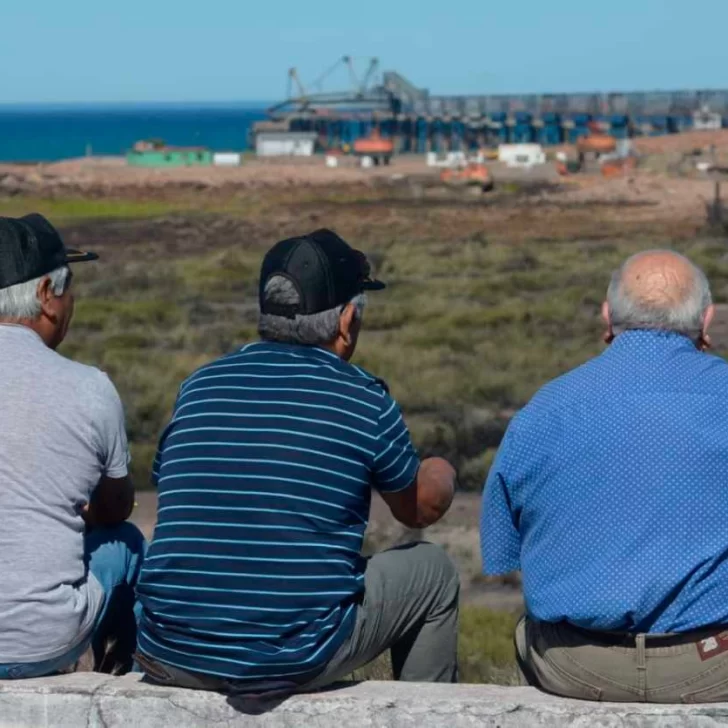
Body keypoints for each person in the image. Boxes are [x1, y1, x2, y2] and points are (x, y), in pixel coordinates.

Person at [136, 229, 459, 695]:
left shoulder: (200, 386)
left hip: (169, 649)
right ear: (347, 321)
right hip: (291, 654)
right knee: (434, 572)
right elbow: (419, 510)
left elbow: (174, 484)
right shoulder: (361, 397)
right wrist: (441, 472)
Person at [480, 249, 728, 703]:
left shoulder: (544, 410)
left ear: (607, 316)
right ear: (707, 319)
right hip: (715, 664)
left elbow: (503, 552)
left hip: (575, 665)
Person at [0, 214, 145, 679]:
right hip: (40, 645)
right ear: (46, 295)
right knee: (125, 544)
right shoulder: (89, 387)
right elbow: (116, 508)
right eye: (68, 289)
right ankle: (127, 680)